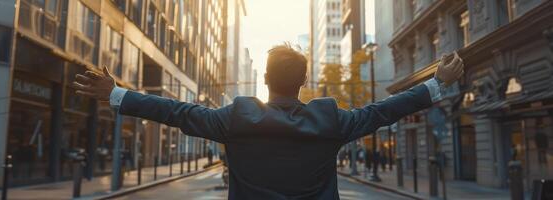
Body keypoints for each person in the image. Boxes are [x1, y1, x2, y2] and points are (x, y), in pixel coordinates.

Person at [73, 44, 464, 199]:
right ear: (304, 82)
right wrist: (438, 82)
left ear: (264, 80)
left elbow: (176, 112)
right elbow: (382, 111)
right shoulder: (330, 120)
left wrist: (115, 92)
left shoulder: (238, 118)